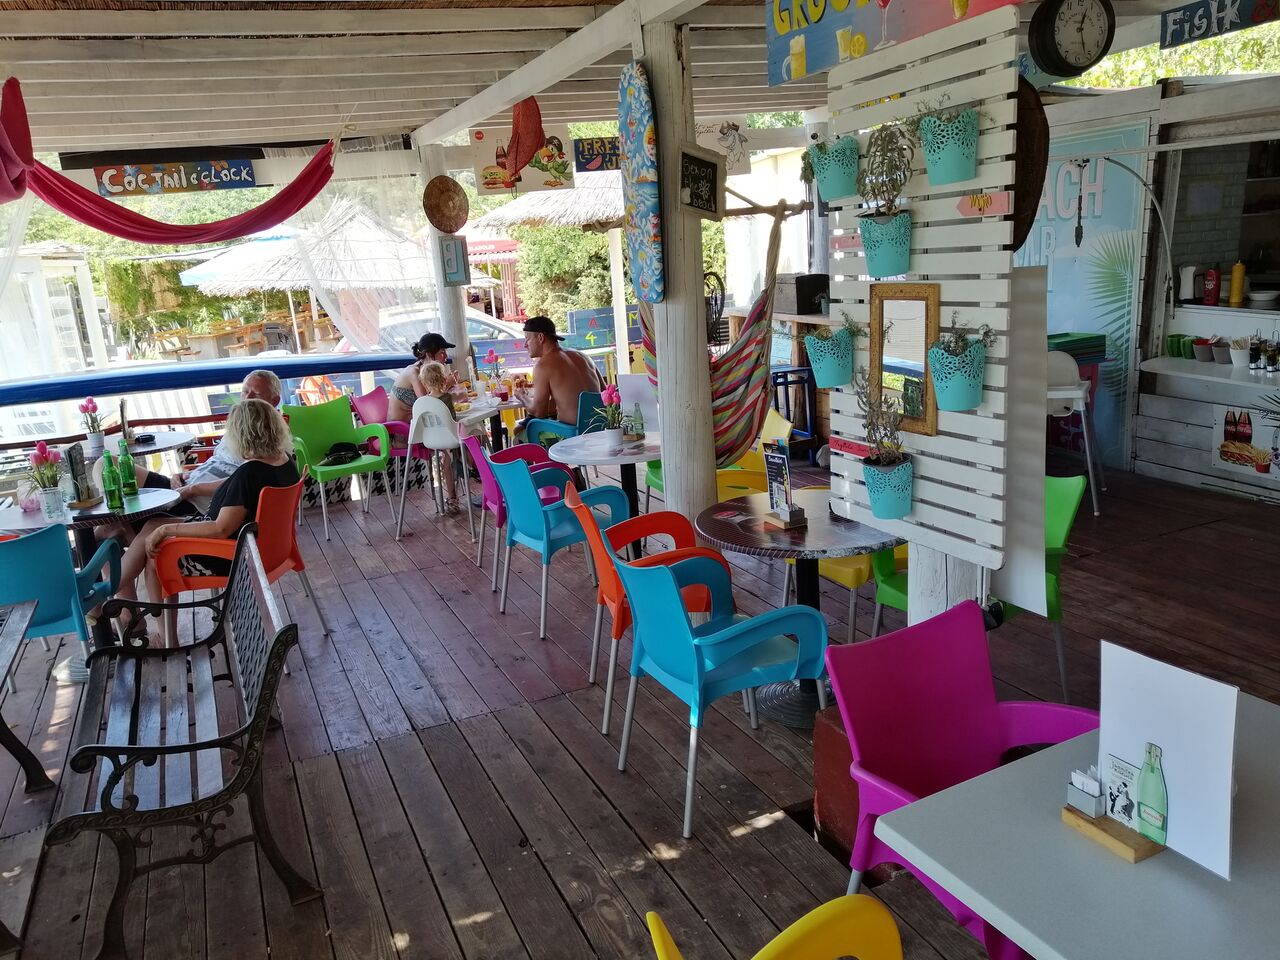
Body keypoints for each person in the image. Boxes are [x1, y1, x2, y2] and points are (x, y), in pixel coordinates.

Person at [104, 399, 299, 646]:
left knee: (156, 549)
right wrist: (192, 491)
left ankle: (162, 637)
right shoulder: (282, 462)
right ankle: (108, 598)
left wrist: (167, 530)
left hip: (227, 556)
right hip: (264, 549)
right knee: (151, 526)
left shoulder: (249, 473)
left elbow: (220, 529)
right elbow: (232, 491)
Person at [517, 315, 603, 434]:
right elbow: (604, 392)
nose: (525, 345)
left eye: (527, 339)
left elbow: (538, 412)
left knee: (519, 432)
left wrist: (522, 396)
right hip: (601, 428)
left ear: (540, 337)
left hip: (572, 434)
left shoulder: (543, 365)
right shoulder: (583, 357)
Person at [418, 361, 463, 513]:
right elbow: (453, 418)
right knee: (461, 449)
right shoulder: (447, 398)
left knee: (446, 460)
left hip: (431, 440)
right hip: (450, 438)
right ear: (444, 379)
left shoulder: (423, 402)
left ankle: (452, 497)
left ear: (424, 383)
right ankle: (454, 495)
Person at [387, 333, 456, 429]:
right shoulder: (414, 372)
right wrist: (448, 384)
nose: (446, 356)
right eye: (442, 352)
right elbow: (428, 403)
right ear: (429, 354)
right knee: (455, 426)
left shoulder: (426, 372)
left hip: (419, 424)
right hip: (403, 430)